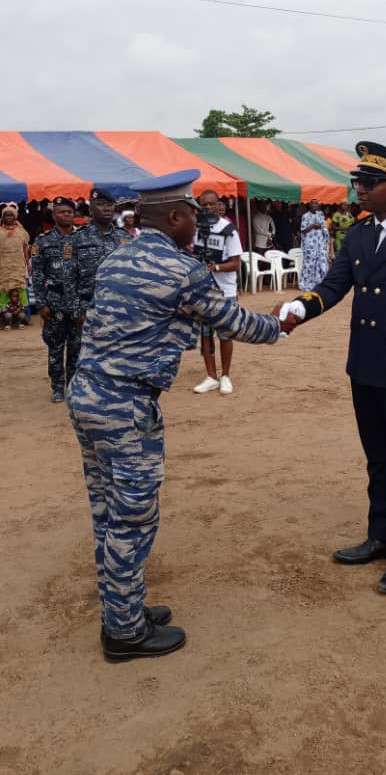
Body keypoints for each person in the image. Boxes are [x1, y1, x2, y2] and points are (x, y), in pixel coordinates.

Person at [66, 170, 296, 662]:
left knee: (108, 512)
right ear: (174, 216)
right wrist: (281, 323)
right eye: (193, 213)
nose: (200, 220)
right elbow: (234, 323)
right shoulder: (181, 269)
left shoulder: (116, 256)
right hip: (126, 406)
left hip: (87, 395)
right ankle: (124, 635)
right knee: (133, 519)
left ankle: (123, 612)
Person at [279, 142, 386, 595]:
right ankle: (381, 535)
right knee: (378, 459)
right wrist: (300, 306)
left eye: (368, 183)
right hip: (365, 365)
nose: (358, 189)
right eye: (356, 182)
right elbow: (335, 285)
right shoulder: (359, 233)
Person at [192, 188, 243, 395]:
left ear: (219, 205)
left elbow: (236, 263)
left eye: (211, 204)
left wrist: (218, 267)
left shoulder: (228, 230)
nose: (208, 208)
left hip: (225, 291)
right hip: (203, 290)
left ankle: (226, 376)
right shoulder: (196, 229)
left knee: (225, 334)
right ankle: (211, 376)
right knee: (205, 335)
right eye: (204, 205)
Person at [31, 196, 81, 403]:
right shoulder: (43, 241)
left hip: (78, 304)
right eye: (62, 212)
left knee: (77, 347)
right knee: (55, 346)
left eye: (69, 212)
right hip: (54, 303)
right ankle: (57, 387)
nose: (66, 215)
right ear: (54, 215)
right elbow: (37, 275)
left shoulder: (83, 239)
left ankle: (73, 386)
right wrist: (41, 303)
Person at [72, 188, 130, 319]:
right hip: (89, 310)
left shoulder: (125, 237)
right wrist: (76, 311)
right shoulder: (75, 239)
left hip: (121, 309)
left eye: (110, 204)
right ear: (91, 209)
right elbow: (68, 278)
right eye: (101, 204)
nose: (106, 208)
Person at [0, 204, 30, 323]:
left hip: (18, 265)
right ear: (3, 217)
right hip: (3, 265)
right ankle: (3, 316)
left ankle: (23, 317)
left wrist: (28, 264)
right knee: (3, 288)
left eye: (11, 215)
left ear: (15, 217)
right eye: (6, 215)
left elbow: (25, 249)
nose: (8, 217)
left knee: (20, 288)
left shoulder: (21, 232)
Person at [299, 199, 329, 291]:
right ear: (309, 205)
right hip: (310, 245)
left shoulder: (321, 215)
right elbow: (303, 230)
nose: (314, 205)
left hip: (320, 244)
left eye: (316, 203)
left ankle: (319, 283)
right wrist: (312, 226)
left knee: (321, 263)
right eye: (313, 203)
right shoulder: (305, 216)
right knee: (309, 264)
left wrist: (322, 228)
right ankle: (306, 284)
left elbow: (324, 227)